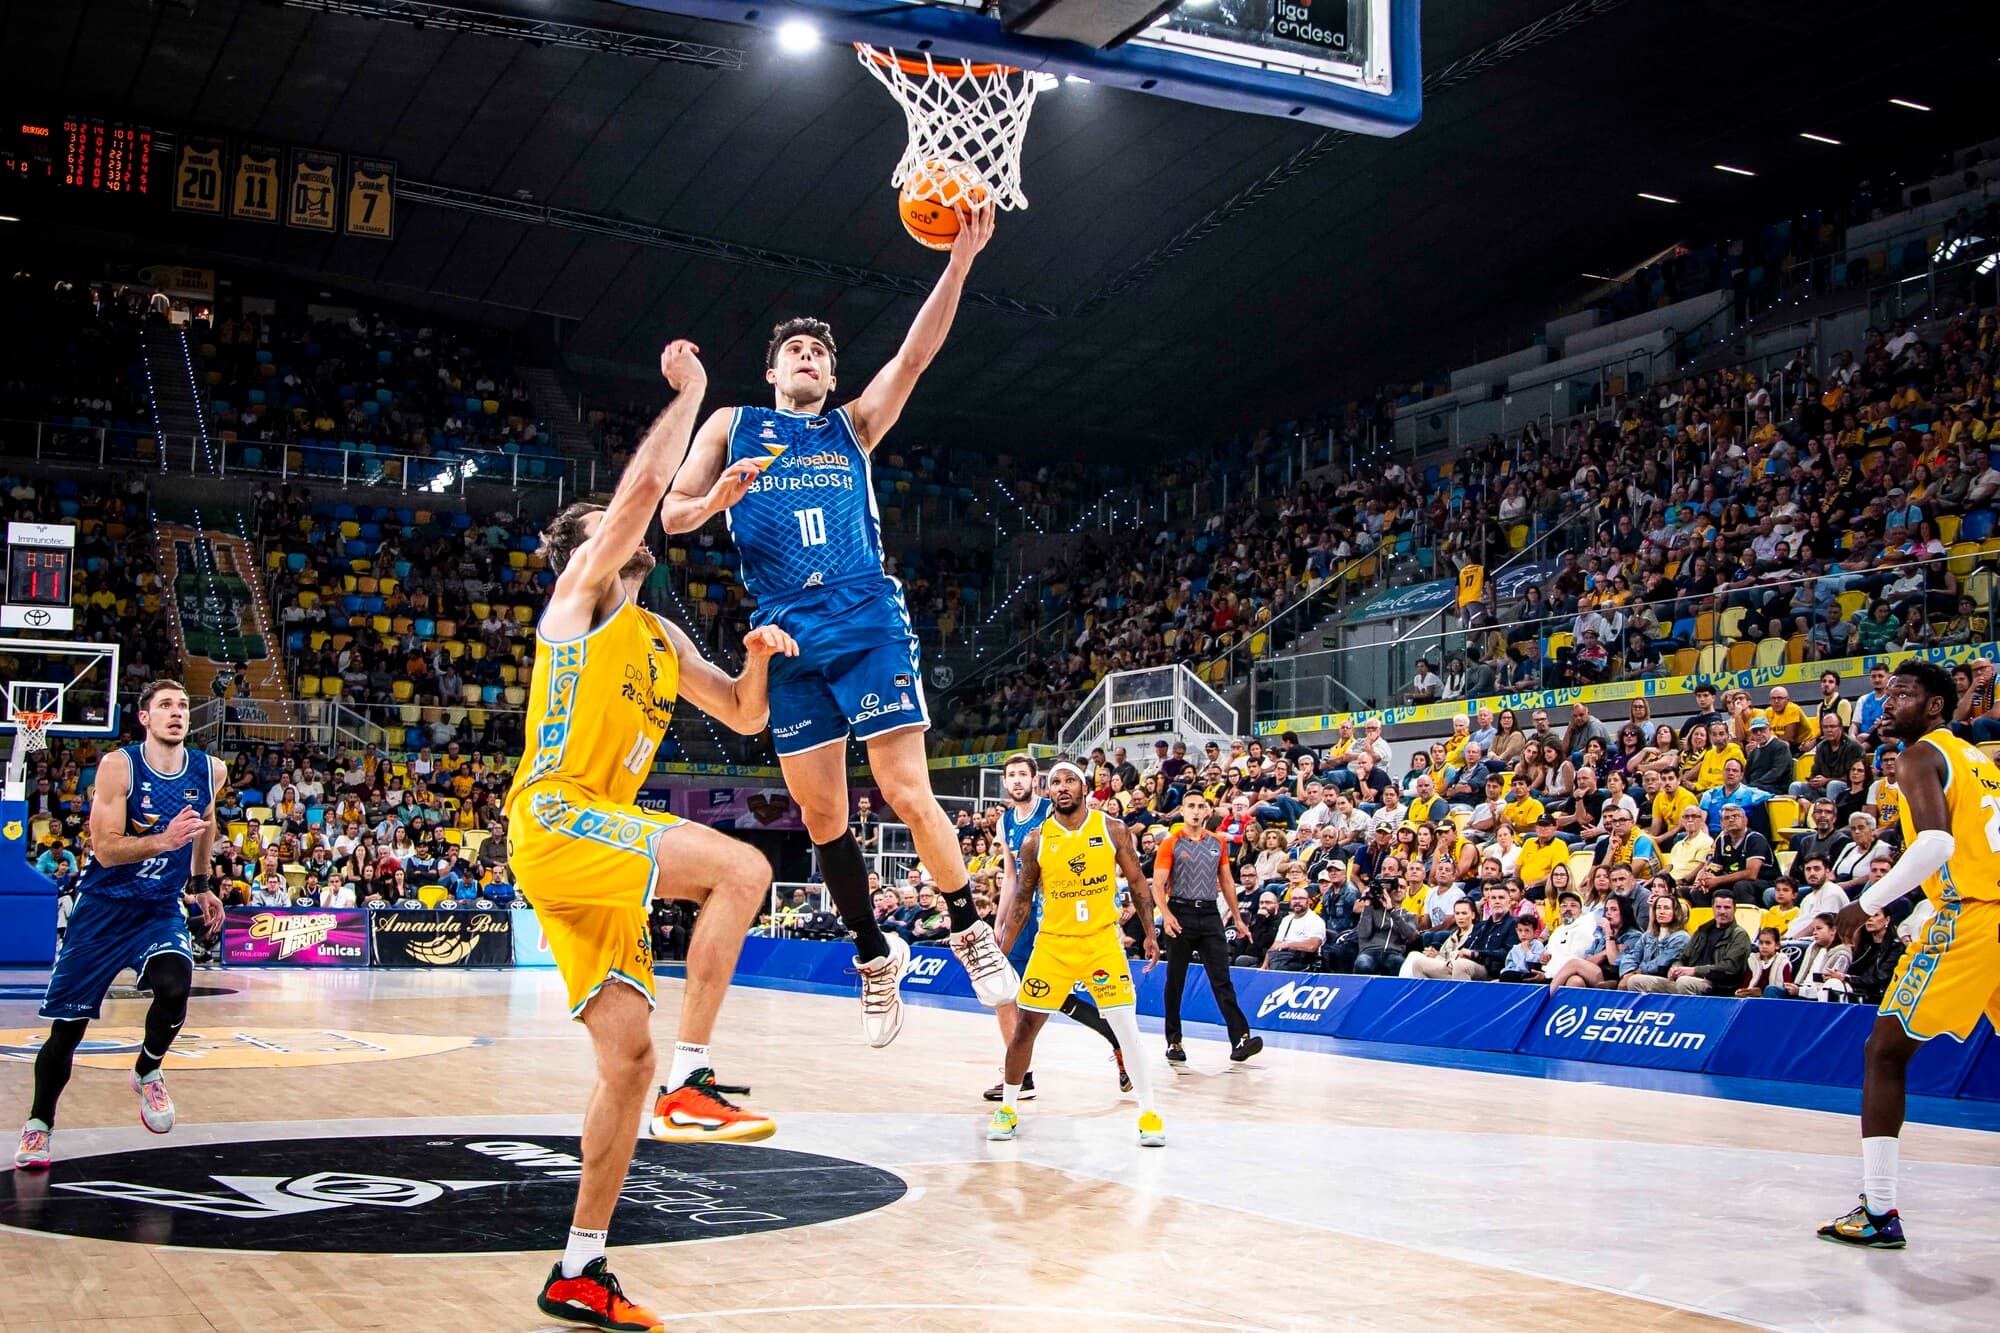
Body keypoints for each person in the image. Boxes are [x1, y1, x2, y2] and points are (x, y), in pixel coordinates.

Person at [658, 203, 1019, 1035]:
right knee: (822, 820)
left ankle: (967, 927)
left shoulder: (853, 427)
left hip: (865, 615)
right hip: (787, 633)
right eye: (797, 352)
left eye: (820, 351)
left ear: (829, 372)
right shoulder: (732, 424)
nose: (810, 359)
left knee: (905, 791)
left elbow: (917, 353)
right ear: (775, 371)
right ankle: (872, 952)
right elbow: (671, 516)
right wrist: (717, 496)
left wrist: (959, 263)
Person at [503, 341, 796, 1332]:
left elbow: (745, 719)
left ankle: (579, 1267)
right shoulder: (574, 603)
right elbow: (634, 491)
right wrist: (696, 398)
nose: (622, 528)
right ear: (584, 548)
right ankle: (695, 1079)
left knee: (619, 1061)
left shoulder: (661, 639)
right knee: (745, 866)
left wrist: (757, 658)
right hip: (555, 813)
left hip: (595, 850)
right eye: (601, 528)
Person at [1819, 662, 2000, 1249]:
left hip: (1969, 917)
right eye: (1888, 691)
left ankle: (1877, 1211)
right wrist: (1970, 688)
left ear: (1934, 709)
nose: (1888, 701)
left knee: (1884, 1052)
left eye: (1905, 693)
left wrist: (1861, 902)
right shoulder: (1976, 759)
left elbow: (1938, 844)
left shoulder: (1920, 756)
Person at [14, 680, 224, 1173]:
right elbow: (106, 848)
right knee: (67, 1032)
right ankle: (39, 1124)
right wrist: (163, 840)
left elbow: (206, 821)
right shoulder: (119, 766)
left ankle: (148, 1068)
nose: (176, 713)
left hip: (157, 908)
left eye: (183, 706)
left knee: (176, 985)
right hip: (103, 909)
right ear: (145, 719)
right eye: (165, 706)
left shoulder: (209, 770)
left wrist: (198, 880)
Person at [990, 759, 1163, 1147]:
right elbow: (1021, 898)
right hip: (1053, 944)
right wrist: (1004, 946)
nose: (1063, 787)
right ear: (1048, 791)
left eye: (1070, 780)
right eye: (1056, 782)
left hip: (1101, 942)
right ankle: (1010, 1107)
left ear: (1085, 788)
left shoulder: (1112, 828)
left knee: (1126, 1029)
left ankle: (1149, 1112)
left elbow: (1137, 881)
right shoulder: (1036, 839)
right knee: (1024, 1030)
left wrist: (1151, 934)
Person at [986, 753, 1128, 1102]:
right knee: (1008, 995)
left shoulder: (1051, 809)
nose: (1017, 780)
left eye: (1023, 774)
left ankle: (1120, 1044)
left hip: (1059, 918)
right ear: (1004, 782)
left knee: (1060, 1000)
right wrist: (999, 924)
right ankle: (1020, 1077)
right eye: (1011, 775)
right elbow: (1011, 877)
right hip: (1023, 920)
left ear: (1037, 781)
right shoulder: (1005, 821)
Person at [1154, 791, 1261, 1065]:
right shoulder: (1171, 843)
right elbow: (1157, 884)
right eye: (1191, 806)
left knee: (1222, 978)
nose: (1196, 811)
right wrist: (1165, 914)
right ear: (1182, 810)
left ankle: (1240, 1039)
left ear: (1208, 811)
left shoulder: (1217, 842)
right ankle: (1173, 1040)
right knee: (1175, 980)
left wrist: (1237, 917)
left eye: (1201, 806)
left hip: (1210, 913)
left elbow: (1226, 881)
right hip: (1180, 912)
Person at [1626, 888, 1750, 995]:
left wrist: (1694, 971)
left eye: (1727, 907)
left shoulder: (1739, 935)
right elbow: (1683, 956)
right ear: (1712, 908)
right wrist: (1675, 968)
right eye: (1718, 907)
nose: (1722, 911)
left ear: (1734, 909)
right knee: (1635, 981)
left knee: (1684, 982)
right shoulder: (1703, 930)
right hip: (1684, 980)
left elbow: (1730, 968)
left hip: (1716, 985)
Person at [1265, 883, 1330, 972]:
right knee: (1244, 961)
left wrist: (1289, 945)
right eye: (1294, 898)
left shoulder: (1316, 921)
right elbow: (1275, 945)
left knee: (1279, 967)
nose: (1297, 901)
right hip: (1281, 958)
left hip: (1303, 960)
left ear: (1308, 901)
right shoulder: (1286, 920)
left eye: (1301, 898)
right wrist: (1264, 967)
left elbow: (1312, 946)